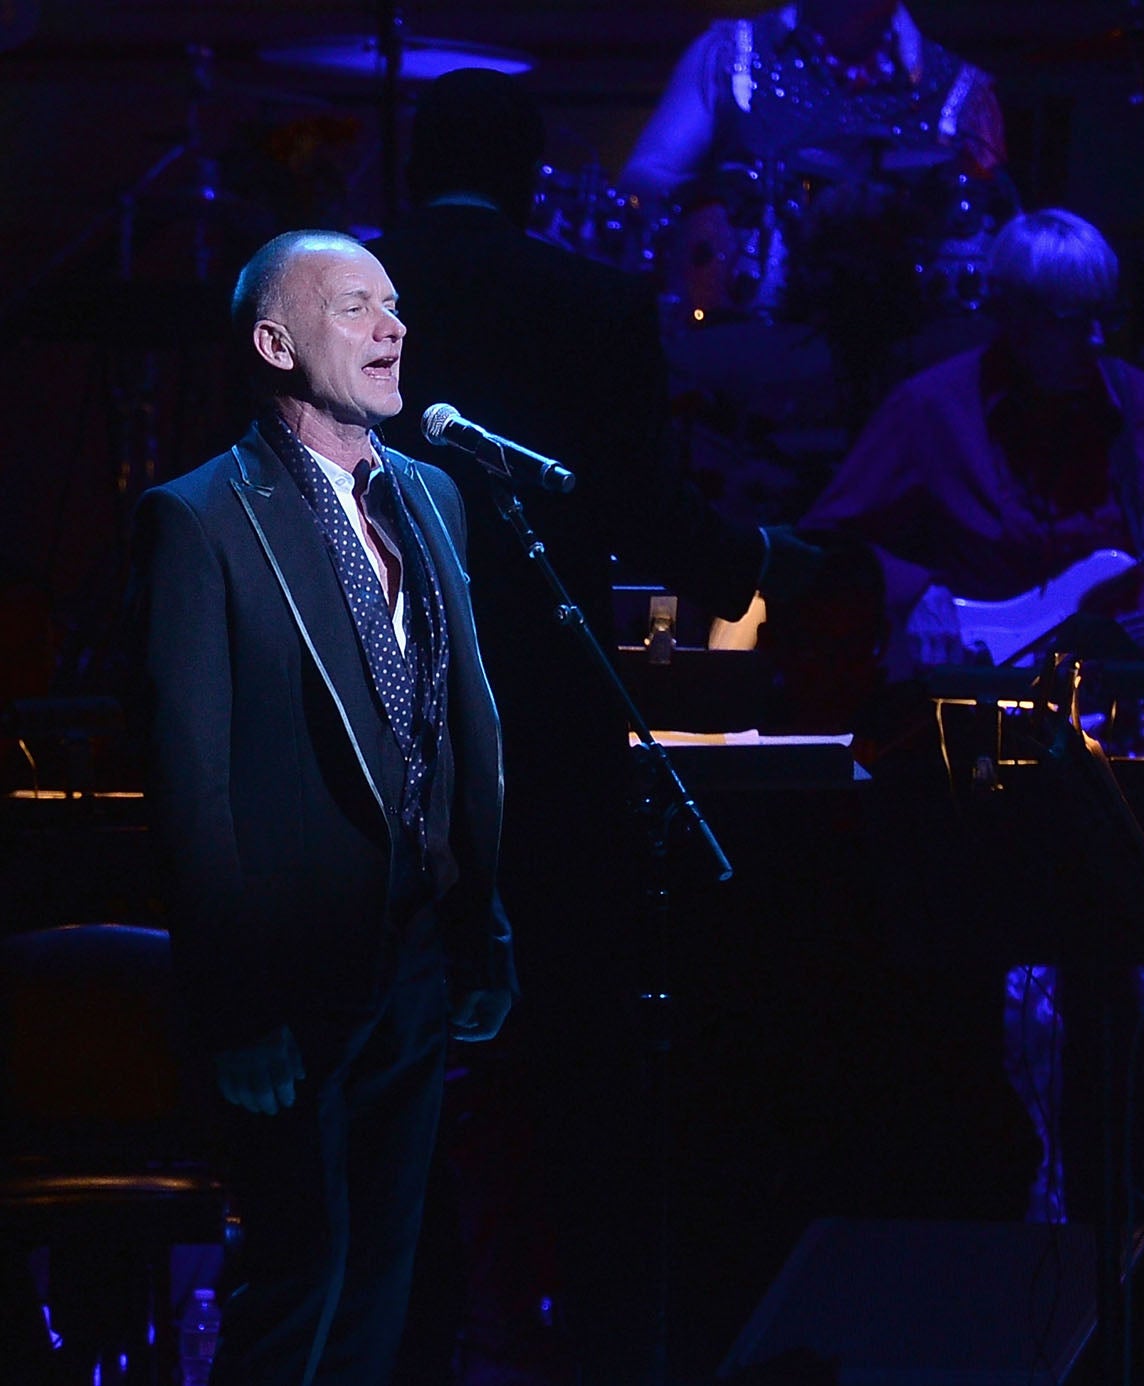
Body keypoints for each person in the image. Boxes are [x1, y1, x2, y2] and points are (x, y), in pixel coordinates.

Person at [368, 67, 822, 1385]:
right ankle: (610, 1345)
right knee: (580, 1074)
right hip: (547, 747)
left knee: (394, 1080)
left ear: (411, 172)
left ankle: (410, 1348)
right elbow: (645, 517)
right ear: (526, 177)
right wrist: (763, 564)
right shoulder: (593, 301)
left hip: (364, 736)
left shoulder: (315, 299)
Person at [134, 229, 514, 1386]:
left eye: (393, 304)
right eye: (355, 307)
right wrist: (237, 1005)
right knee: (299, 1276)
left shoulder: (433, 498)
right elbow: (190, 788)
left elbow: (456, 729)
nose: (392, 327)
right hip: (289, 978)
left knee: (384, 1285)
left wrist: (478, 921)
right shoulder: (202, 519)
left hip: (412, 957)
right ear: (275, 341)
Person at [801, 206, 1144, 673]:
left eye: (1106, 316)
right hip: (965, 696)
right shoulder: (932, 408)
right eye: (1072, 321)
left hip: (1104, 703)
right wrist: (916, 593)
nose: (1097, 339)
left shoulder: (1142, 406)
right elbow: (822, 541)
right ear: (1014, 318)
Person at [620, 0, 1004, 204]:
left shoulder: (960, 91)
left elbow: (996, 231)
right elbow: (642, 179)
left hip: (914, 341)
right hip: (747, 333)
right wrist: (726, 196)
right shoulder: (729, 54)